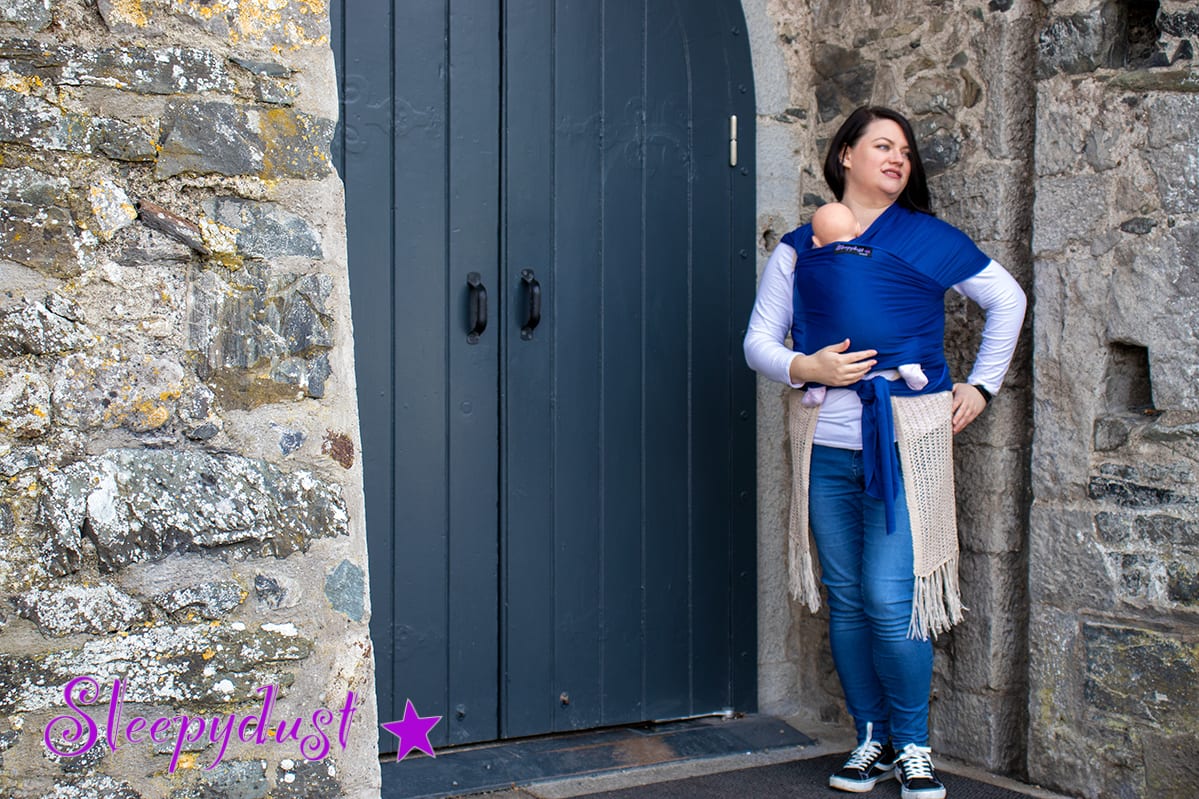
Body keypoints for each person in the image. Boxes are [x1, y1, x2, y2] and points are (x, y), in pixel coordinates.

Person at [744, 106, 1025, 799]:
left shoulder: (928, 238)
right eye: (882, 145)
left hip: (904, 444)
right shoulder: (799, 247)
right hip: (825, 448)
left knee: (889, 596)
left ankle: (914, 745)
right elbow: (758, 342)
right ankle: (870, 739)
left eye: (905, 149)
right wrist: (805, 366)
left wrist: (982, 385)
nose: (898, 157)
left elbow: (1008, 300)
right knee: (845, 598)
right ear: (845, 154)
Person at [806, 201, 928, 408]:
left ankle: (816, 388)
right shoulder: (874, 254)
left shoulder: (809, 264)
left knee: (812, 339)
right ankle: (907, 362)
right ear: (858, 230)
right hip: (878, 328)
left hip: (833, 336)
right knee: (902, 322)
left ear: (816, 242)